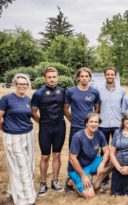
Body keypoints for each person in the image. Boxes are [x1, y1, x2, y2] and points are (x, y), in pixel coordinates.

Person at [0, 73, 36, 205]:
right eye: (20, 83)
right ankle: (26, 199)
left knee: (29, 166)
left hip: (28, 134)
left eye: (25, 84)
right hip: (13, 136)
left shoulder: (27, 99)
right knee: (21, 167)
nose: (22, 86)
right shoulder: (7, 99)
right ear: (15, 84)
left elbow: (29, 116)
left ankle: (12, 190)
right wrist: (6, 130)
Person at [31, 67, 66, 196]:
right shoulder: (38, 93)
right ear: (45, 78)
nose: (52, 79)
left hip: (60, 127)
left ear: (57, 77)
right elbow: (33, 112)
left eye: (54, 77)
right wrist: (42, 122)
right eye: (49, 77)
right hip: (45, 128)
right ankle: (43, 183)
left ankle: (55, 181)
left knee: (57, 155)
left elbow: (67, 108)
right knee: (45, 156)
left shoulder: (62, 91)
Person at [65, 113, 113, 199]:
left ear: (98, 124)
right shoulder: (78, 137)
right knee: (89, 195)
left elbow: (107, 151)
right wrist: (83, 176)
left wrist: (102, 164)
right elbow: (72, 159)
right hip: (78, 169)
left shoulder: (99, 133)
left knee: (113, 160)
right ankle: (71, 181)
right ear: (86, 123)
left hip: (92, 162)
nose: (94, 124)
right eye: (91, 122)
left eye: (96, 122)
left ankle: (97, 185)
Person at [95, 67, 126, 186]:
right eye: (108, 74)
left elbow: (124, 110)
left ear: (115, 76)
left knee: (118, 151)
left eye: (112, 74)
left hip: (117, 126)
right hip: (103, 125)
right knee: (104, 153)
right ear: (104, 76)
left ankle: (118, 175)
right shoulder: (98, 90)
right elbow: (96, 108)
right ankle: (104, 177)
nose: (110, 76)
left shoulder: (122, 91)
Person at [64, 67, 101, 149]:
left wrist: (92, 122)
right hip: (75, 127)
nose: (84, 78)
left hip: (89, 127)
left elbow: (97, 108)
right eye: (82, 76)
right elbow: (65, 109)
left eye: (86, 76)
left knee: (89, 151)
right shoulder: (70, 91)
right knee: (73, 151)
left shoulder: (94, 92)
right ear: (78, 78)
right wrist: (72, 120)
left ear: (90, 78)